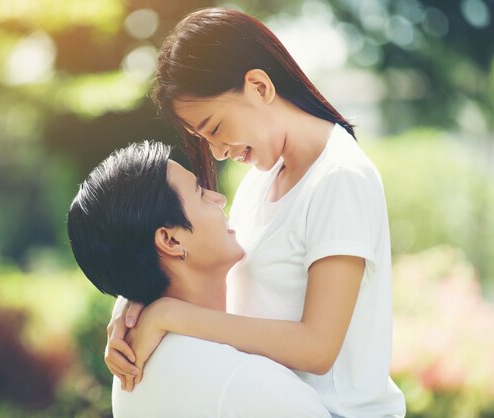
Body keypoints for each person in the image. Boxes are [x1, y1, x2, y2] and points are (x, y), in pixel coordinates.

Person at [105, 8, 407, 418]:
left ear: (259, 87)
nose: (216, 151)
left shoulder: (340, 179)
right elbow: (204, 265)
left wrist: (170, 315)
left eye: (214, 126)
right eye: (202, 137)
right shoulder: (260, 181)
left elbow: (317, 348)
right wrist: (135, 304)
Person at [67, 141, 330, 418]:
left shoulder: (131, 375)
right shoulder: (251, 383)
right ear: (171, 240)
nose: (220, 198)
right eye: (201, 193)